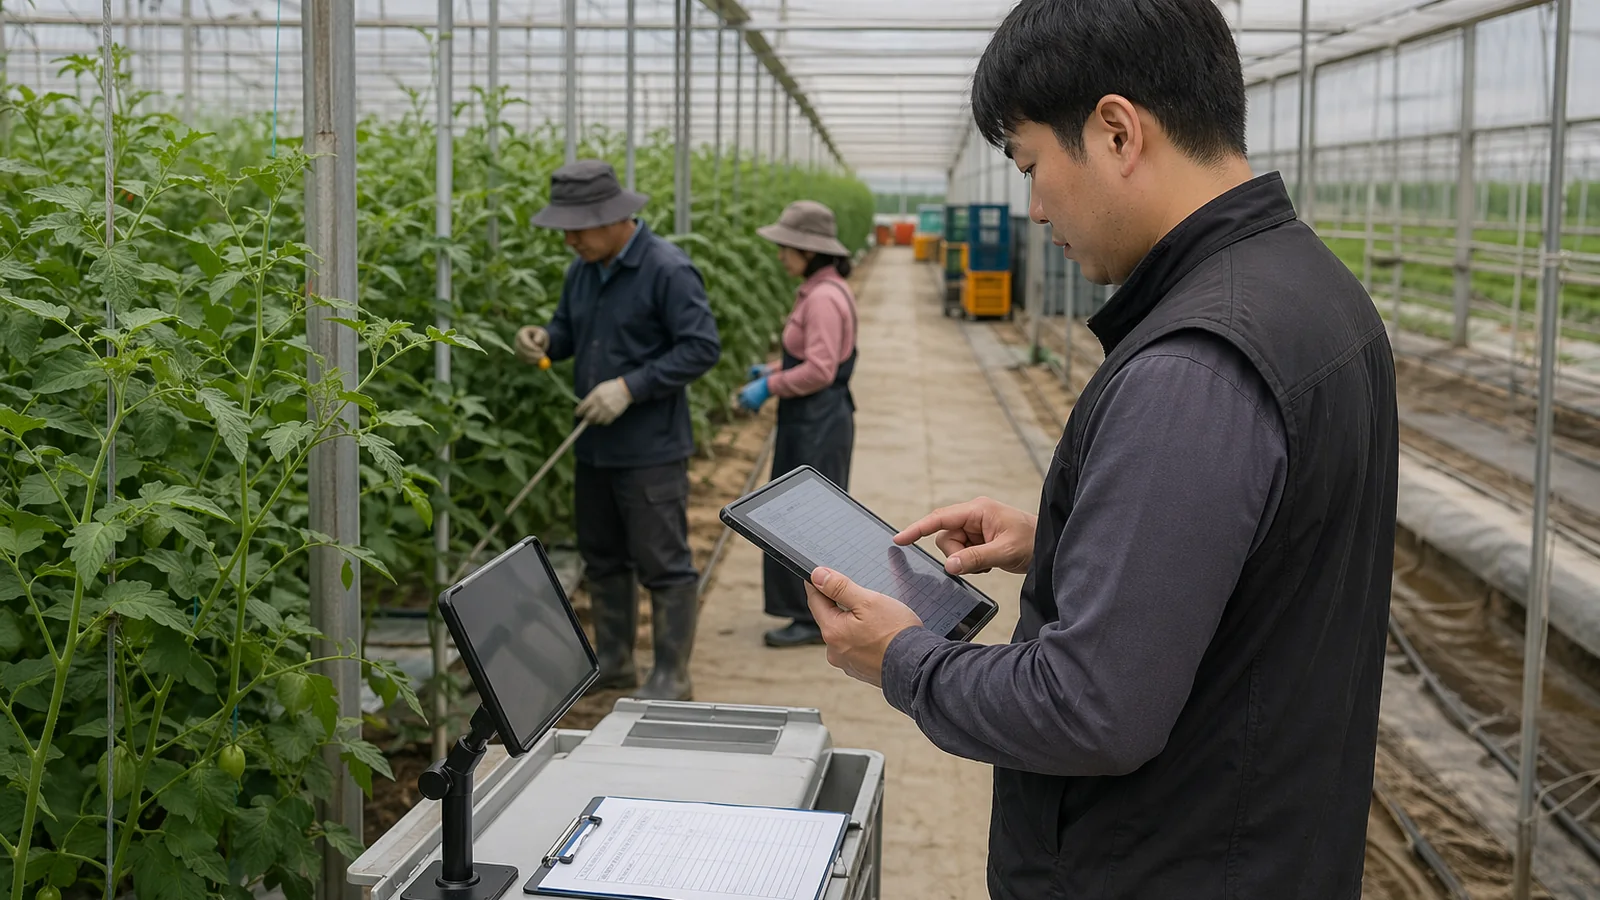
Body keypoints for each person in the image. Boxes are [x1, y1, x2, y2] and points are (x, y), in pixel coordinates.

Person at [799, 1, 1399, 897]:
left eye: (1034, 165)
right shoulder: (1313, 291)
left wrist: (904, 658)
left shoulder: (1194, 368)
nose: (1034, 209)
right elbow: (1265, 548)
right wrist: (1071, 535)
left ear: (1117, 132)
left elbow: (1090, 710)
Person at [515, 160, 721, 701]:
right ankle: (614, 661)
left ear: (613, 218)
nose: (569, 240)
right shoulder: (582, 271)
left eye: (578, 229)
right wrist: (546, 340)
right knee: (602, 556)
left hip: (649, 449)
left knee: (663, 561)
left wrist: (630, 387)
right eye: (564, 229)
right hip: (595, 444)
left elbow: (701, 347)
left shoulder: (666, 269)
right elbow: (569, 329)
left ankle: (673, 674)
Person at [737, 201, 860, 648]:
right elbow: (810, 355)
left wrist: (770, 386)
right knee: (803, 513)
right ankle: (810, 610)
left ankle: (810, 618)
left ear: (809, 252)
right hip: (815, 417)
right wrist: (771, 368)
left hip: (818, 419)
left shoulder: (824, 298)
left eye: (786, 247)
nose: (780, 255)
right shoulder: (823, 290)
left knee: (804, 519)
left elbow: (820, 370)